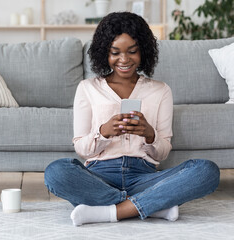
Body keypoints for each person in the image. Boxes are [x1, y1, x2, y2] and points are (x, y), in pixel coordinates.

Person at [44, 12, 220, 227]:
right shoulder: (88, 88)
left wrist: (150, 134)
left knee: (206, 171)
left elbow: (163, 151)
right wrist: (104, 132)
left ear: (143, 51)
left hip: (144, 177)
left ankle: (109, 211)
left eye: (132, 51)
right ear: (104, 54)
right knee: (56, 172)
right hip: (99, 176)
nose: (124, 59)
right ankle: (151, 206)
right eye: (115, 52)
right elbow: (81, 147)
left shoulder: (160, 90)